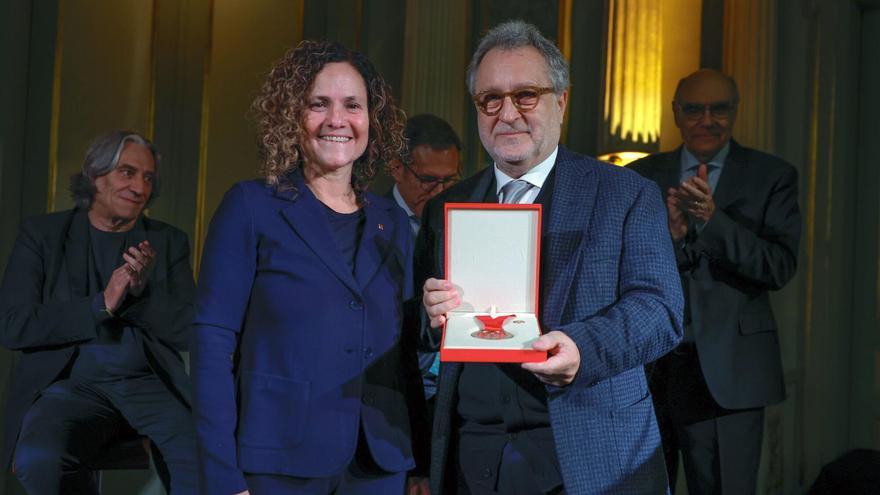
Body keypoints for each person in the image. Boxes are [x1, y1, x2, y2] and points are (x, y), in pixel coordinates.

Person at [417, 21, 684, 495]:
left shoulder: (625, 194)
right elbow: (423, 335)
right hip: (472, 462)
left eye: (525, 95)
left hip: (590, 458)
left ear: (560, 101)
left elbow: (660, 311)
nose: (507, 113)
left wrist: (582, 348)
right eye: (490, 99)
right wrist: (432, 311)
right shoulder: (446, 208)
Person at [191, 40, 427, 495]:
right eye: (318, 104)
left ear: (371, 121)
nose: (337, 119)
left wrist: (420, 460)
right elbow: (212, 342)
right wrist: (222, 475)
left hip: (378, 463)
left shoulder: (392, 221)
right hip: (278, 459)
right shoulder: (251, 206)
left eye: (352, 105)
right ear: (291, 117)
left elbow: (403, 356)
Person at [629, 69, 801, 494]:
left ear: (735, 111)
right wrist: (669, 241)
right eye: (694, 109)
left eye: (719, 109)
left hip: (732, 371)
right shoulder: (641, 175)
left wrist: (710, 221)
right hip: (652, 370)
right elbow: (621, 269)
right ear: (675, 114)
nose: (707, 120)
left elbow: (778, 266)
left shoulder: (771, 175)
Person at [0, 130, 197, 493]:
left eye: (148, 178)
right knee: (39, 460)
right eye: (127, 172)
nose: (140, 187)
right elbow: (14, 326)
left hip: (150, 386)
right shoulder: (42, 235)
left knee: (204, 461)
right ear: (96, 175)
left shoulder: (169, 241)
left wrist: (138, 296)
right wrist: (101, 303)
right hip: (71, 386)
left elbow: (187, 331)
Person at [386, 113, 461, 418]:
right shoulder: (370, 224)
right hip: (398, 386)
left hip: (453, 389)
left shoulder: (463, 219)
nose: (440, 192)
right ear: (396, 168)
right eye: (428, 180)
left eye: (450, 179)